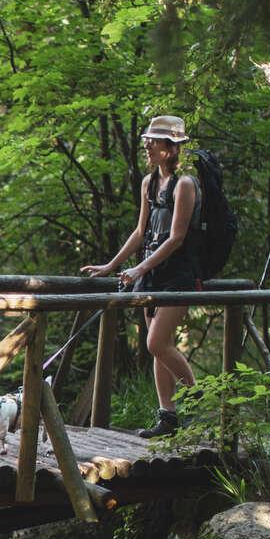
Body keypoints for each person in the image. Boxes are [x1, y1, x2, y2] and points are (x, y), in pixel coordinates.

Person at [82, 114, 200, 439]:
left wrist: (139, 269)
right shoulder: (149, 183)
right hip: (151, 273)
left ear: (171, 147)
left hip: (177, 276)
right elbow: (140, 231)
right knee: (160, 348)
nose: (147, 145)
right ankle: (168, 417)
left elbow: (176, 237)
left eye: (154, 141)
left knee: (156, 343)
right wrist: (111, 265)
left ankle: (200, 400)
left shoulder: (185, 184)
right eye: (147, 140)